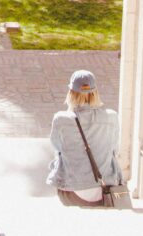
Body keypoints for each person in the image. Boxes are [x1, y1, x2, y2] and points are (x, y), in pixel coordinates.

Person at [47, 70, 122, 207]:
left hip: (71, 191)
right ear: (95, 93)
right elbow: (114, 150)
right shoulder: (112, 117)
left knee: (58, 161)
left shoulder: (61, 119)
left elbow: (57, 148)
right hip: (105, 190)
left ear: (71, 93)